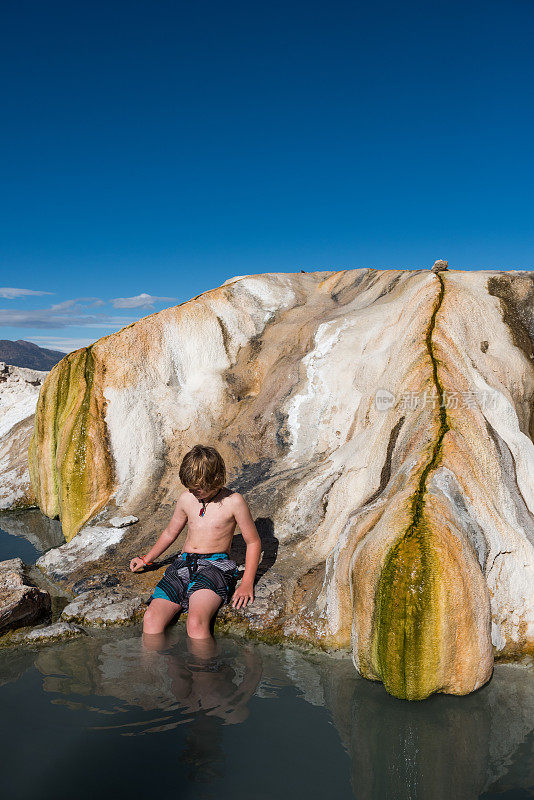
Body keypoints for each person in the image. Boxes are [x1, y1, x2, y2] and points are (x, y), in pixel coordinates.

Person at [130, 444, 262, 639]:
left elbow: (253, 542)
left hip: (215, 566)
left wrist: (247, 583)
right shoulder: (186, 499)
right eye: (190, 488)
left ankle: (204, 669)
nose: (194, 492)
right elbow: (169, 533)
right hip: (183, 563)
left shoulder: (234, 502)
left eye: (198, 488)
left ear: (216, 479)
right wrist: (146, 559)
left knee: (196, 622)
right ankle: (153, 669)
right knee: (151, 618)